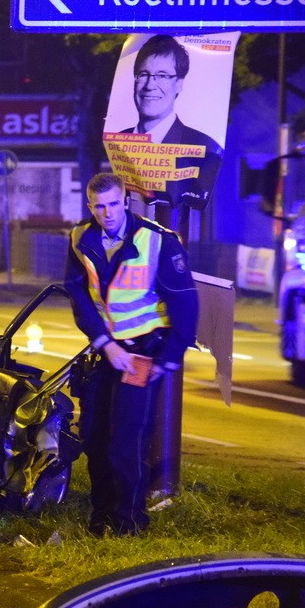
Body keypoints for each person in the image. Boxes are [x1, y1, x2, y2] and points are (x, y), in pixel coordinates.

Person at [64, 172, 198, 537]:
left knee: (126, 439)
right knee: (93, 436)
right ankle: (101, 515)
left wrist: (168, 359)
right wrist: (105, 345)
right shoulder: (80, 238)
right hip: (108, 352)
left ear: (125, 202)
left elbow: (185, 304)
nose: (107, 213)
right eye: (99, 206)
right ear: (90, 206)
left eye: (113, 204)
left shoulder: (158, 240)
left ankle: (130, 521)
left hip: (142, 353)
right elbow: (78, 296)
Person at [123, 34, 222, 210]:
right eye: (143, 74)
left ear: (179, 84)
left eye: (162, 76)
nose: (150, 85)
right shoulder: (119, 140)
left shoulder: (204, 147)